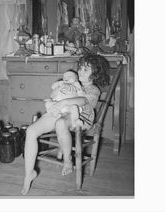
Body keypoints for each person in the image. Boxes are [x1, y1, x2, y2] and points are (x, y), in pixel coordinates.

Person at [21, 53, 110, 195]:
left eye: (86, 70)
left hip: (80, 117)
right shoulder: (70, 81)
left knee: (61, 124)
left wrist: (65, 101)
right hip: (60, 111)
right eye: (80, 68)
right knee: (31, 131)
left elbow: (83, 101)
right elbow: (53, 95)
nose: (80, 71)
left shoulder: (93, 90)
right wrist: (60, 88)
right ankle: (28, 175)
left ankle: (68, 159)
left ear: (95, 74)